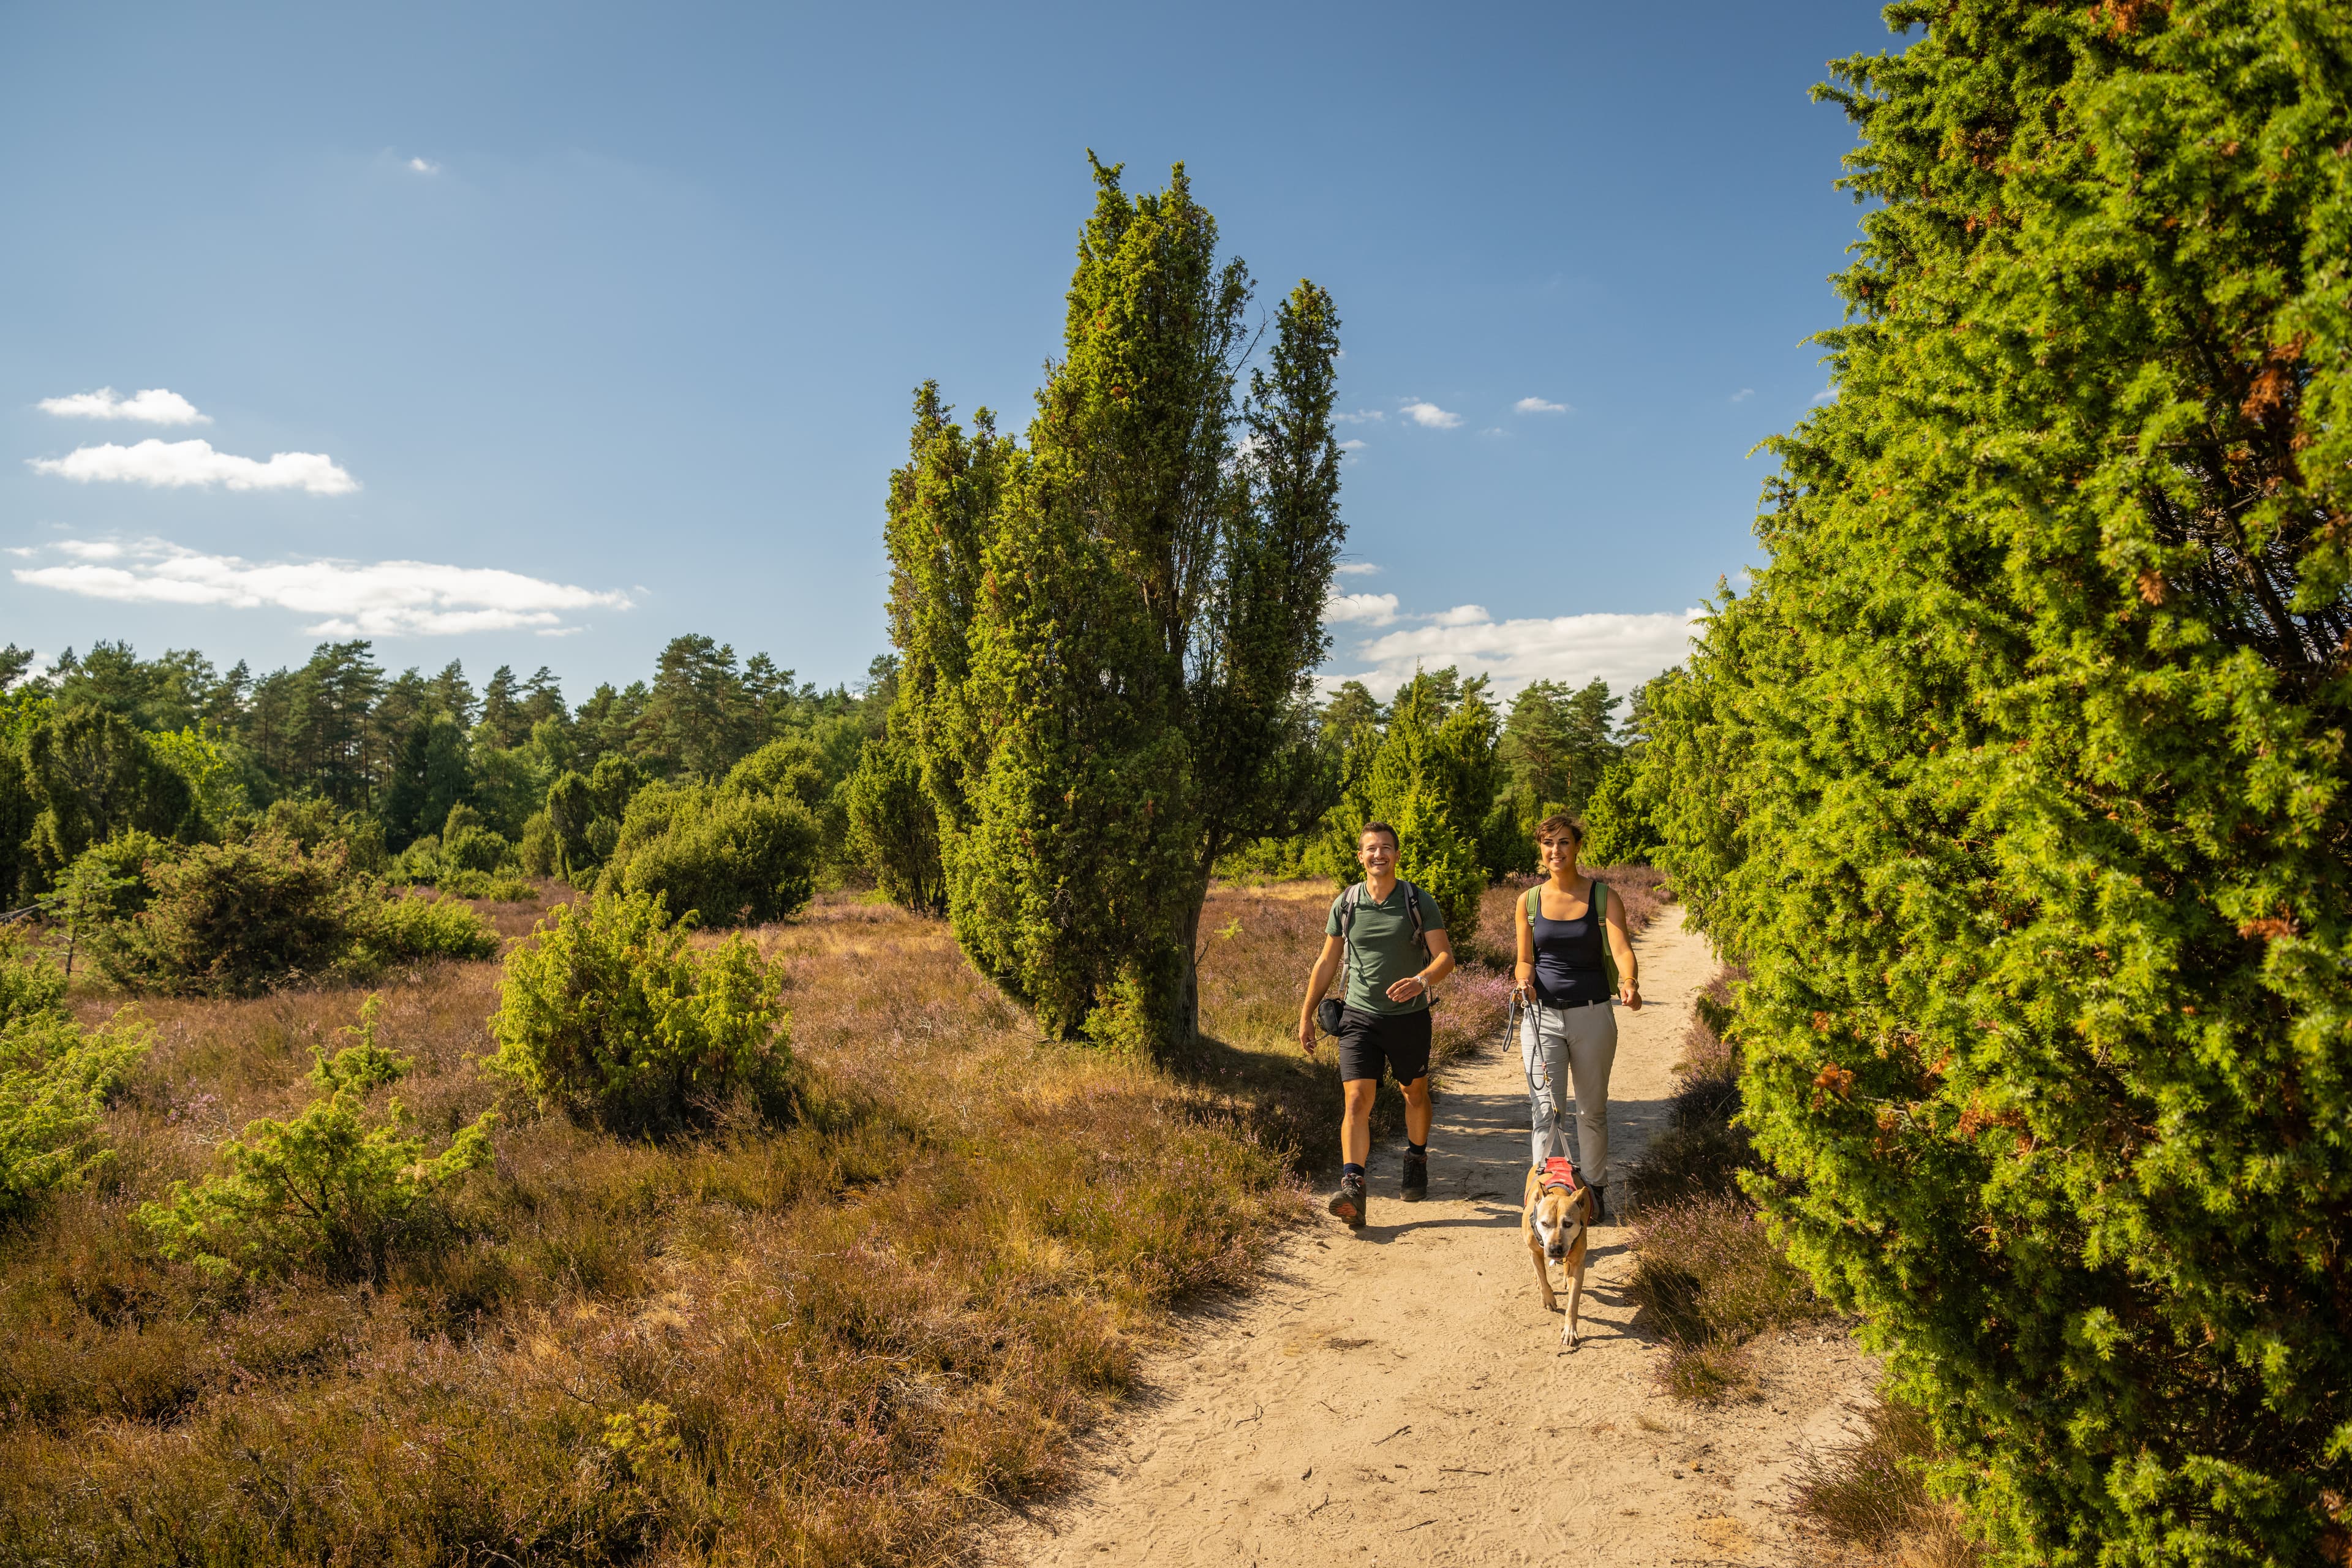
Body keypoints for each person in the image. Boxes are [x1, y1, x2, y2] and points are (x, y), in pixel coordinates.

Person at [1296, 821, 1457, 1227]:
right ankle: (1353, 1186)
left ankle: (1416, 1158)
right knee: (1355, 1101)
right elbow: (1327, 961)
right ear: (1361, 856)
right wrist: (1306, 1013)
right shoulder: (1346, 904)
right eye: (1371, 848)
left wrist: (1421, 981)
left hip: (1409, 1018)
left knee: (1414, 1093)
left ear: (1397, 855)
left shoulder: (1419, 901)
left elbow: (1444, 959)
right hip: (1358, 1017)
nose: (1379, 854)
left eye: (1386, 847)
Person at [1512, 813, 1641, 1221]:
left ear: (1577, 847)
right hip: (1541, 1018)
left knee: (1591, 1110)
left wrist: (1629, 981)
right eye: (1548, 844)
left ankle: (1594, 1192)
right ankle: (1546, 1196)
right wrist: (1523, 982)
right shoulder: (1529, 902)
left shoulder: (1603, 898)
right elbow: (1524, 960)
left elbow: (1621, 949)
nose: (1556, 851)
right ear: (1541, 850)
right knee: (1545, 1111)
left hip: (1592, 1017)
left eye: (1564, 842)